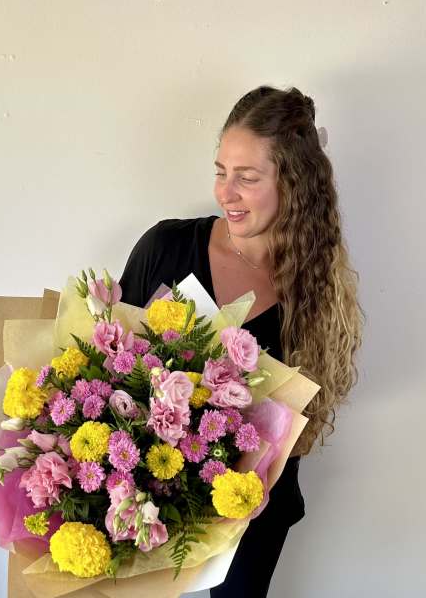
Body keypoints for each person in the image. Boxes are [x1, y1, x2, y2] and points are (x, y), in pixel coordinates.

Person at [118, 85, 365, 597]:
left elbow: (296, 427)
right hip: (148, 491)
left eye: (247, 178)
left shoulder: (313, 286)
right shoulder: (167, 248)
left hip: (253, 507)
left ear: (293, 184)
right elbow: (111, 367)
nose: (225, 193)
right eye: (221, 172)